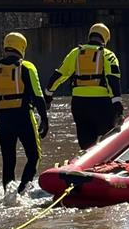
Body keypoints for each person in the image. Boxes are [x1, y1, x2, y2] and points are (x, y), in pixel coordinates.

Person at [0, 32, 49, 195]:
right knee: (34, 156)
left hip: (3, 120)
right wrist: (44, 120)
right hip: (24, 117)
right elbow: (38, 96)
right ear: (22, 47)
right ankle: (22, 191)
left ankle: (8, 196)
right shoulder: (27, 67)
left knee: (8, 160)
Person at [44, 22, 123, 150]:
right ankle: (105, 163)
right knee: (107, 142)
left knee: (86, 144)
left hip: (79, 105)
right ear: (105, 38)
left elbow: (59, 75)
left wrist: (48, 96)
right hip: (102, 105)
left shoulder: (75, 53)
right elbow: (113, 81)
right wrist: (118, 107)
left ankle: (85, 161)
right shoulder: (108, 55)